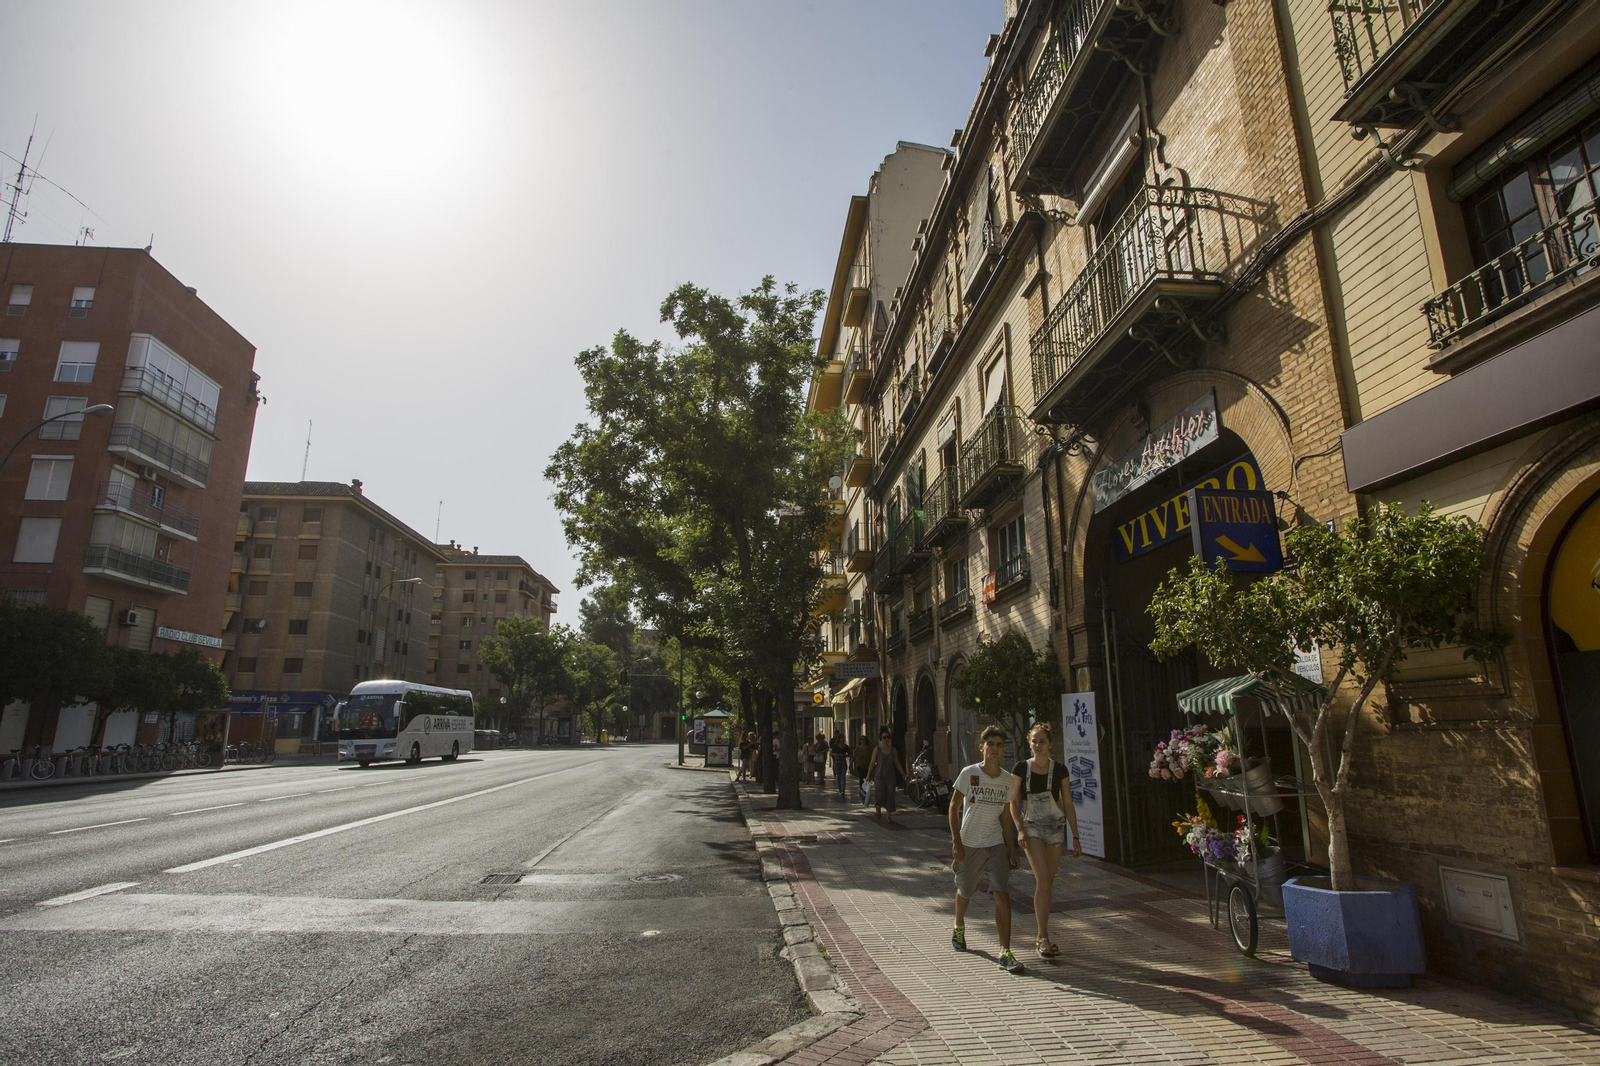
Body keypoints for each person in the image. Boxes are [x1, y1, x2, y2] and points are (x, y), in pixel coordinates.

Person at [950, 724, 1023, 974]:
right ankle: (959, 926)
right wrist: (957, 842)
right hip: (970, 843)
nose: (994, 749)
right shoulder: (969, 773)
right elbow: (953, 808)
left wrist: (1011, 848)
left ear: (1004, 750)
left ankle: (1005, 950)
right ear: (981, 747)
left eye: (999, 745)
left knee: (1002, 895)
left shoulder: (1007, 780)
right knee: (965, 891)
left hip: (996, 844)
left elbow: (1005, 816)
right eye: (990, 744)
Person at [1009, 722, 1081, 959]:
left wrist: (1076, 836)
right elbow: (1012, 803)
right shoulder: (1020, 768)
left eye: (1042, 741)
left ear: (1050, 744)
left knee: (1048, 882)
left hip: (1055, 827)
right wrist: (1019, 829)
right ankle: (1043, 937)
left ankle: (1042, 934)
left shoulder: (1060, 770)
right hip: (1032, 827)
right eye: (1034, 741)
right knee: (1041, 878)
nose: (1037, 745)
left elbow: (1068, 803)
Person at [866, 728, 908, 823]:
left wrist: (903, 774)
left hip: (890, 776)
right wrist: (868, 775)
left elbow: (897, 763)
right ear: (880, 739)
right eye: (884, 737)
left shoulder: (893, 750)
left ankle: (888, 816)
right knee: (879, 793)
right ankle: (878, 808)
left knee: (890, 795)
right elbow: (872, 763)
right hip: (879, 775)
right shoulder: (877, 750)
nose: (886, 739)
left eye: (888, 737)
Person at [829, 729, 851, 799]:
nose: (842, 739)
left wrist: (844, 755)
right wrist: (835, 754)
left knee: (843, 777)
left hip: (843, 762)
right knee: (839, 777)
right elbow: (831, 753)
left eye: (843, 738)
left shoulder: (846, 746)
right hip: (837, 763)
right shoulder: (835, 746)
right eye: (841, 738)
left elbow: (849, 754)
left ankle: (843, 791)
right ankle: (839, 790)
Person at [852, 734, 873, 802]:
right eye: (861, 740)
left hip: (868, 767)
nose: (863, 741)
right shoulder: (858, 749)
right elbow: (854, 756)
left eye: (864, 740)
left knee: (867, 779)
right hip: (860, 766)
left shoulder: (869, 749)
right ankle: (862, 790)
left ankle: (867, 791)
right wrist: (850, 764)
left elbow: (873, 757)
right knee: (861, 779)